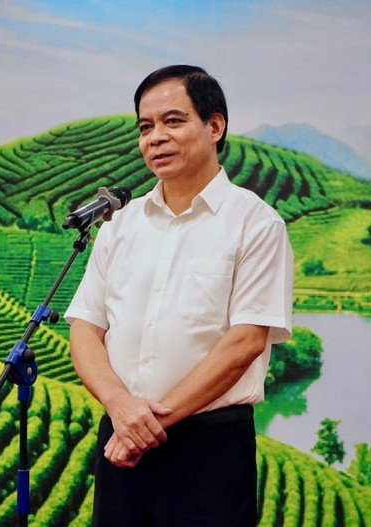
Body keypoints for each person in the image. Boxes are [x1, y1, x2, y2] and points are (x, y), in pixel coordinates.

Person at [64, 65, 293, 526]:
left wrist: (147, 424)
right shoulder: (119, 226)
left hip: (207, 448)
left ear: (214, 126)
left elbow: (245, 342)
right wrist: (121, 408)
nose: (155, 138)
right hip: (120, 437)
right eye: (145, 127)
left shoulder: (256, 223)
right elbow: (86, 329)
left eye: (173, 121)